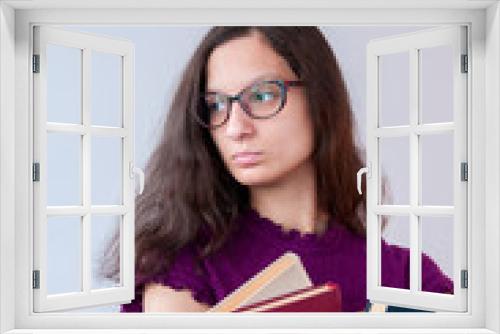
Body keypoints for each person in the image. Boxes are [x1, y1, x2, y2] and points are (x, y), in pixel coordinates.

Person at [114, 26, 452, 313]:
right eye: (216, 105)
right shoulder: (181, 265)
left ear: (321, 99)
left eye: (261, 96)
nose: (235, 128)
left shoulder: (406, 277)